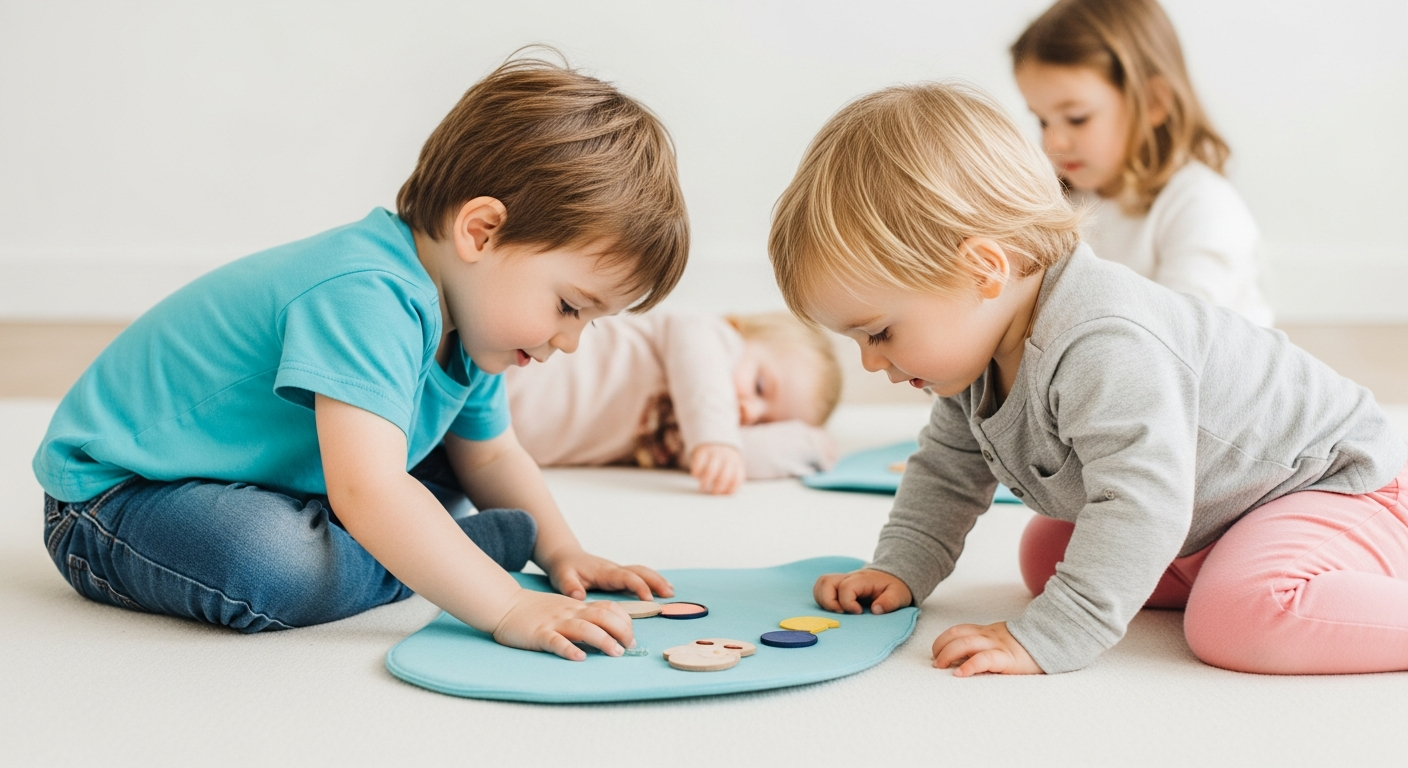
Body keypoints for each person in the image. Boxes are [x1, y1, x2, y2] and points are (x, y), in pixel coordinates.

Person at [33, 53, 690, 661]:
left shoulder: (474, 328)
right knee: (269, 560)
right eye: (571, 307)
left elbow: (491, 454)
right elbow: (368, 488)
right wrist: (506, 601)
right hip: (116, 501)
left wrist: (562, 550)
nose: (570, 342)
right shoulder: (367, 293)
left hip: (268, 479)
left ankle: (417, 545)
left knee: (440, 464)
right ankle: (437, 554)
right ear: (482, 231)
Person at [768, 81, 1407, 675]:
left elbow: (1143, 501)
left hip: (1337, 485)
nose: (871, 363)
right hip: (1221, 506)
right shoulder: (982, 352)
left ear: (983, 271)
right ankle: (1221, 562)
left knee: (1235, 618)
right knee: (1047, 552)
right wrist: (901, 567)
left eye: (878, 333)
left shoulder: (1103, 341)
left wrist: (1049, 635)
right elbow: (947, 469)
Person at [1011, 0, 1273, 326]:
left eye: (1077, 119)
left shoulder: (1203, 206)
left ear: (1152, 102)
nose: (1052, 143)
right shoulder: (1067, 200)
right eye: (1042, 121)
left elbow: (1181, 341)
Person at [506, 311, 842, 495]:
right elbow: (699, 357)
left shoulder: (689, 442)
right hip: (514, 364)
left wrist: (808, 446)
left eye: (765, 424)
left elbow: (729, 464)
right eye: (759, 386)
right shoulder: (705, 336)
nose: (749, 411)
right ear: (736, 329)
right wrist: (716, 436)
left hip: (487, 439)